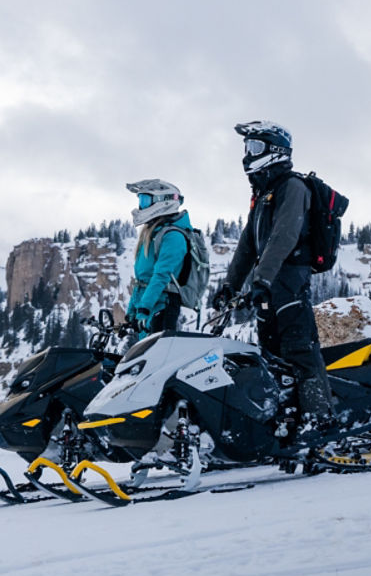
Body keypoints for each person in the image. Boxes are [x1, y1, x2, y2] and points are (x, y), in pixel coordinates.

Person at [213, 121, 334, 425]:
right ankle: (285, 420)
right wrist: (231, 285)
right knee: (270, 357)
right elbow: (246, 246)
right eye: (247, 148)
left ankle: (319, 420)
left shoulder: (292, 187)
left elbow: (285, 235)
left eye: (255, 148)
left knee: (299, 351)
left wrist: (262, 279)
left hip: (289, 282)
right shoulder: (263, 195)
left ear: (275, 151)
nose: (247, 155)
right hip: (267, 289)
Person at [125, 179, 195, 339]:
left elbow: (161, 275)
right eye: (141, 201)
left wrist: (144, 308)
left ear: (163, 201)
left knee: (155, 360)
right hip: (146, 305)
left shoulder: (174, 236)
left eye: (145, 201)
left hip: (162, 306)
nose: (141, 207)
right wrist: (133, 310)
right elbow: (141, 280)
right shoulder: (151, 233)